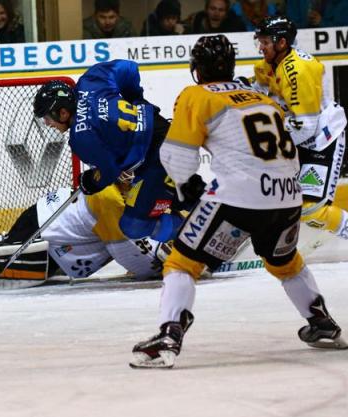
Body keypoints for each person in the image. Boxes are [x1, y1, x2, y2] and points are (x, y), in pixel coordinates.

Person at [130, 35, 346, 369]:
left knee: (181, 262)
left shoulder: (197, 95)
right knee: (284, 262)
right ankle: (323, 324)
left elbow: (178, 155)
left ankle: (169, 336)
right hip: (289, 195)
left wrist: (186, 186)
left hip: (239, 196)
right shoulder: (264, 98)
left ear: (197, 69)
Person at [0, 186, 171, 297]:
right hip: (50, 236)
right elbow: (132, 257)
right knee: (0, 259)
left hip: (47, 216)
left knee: (6, 246)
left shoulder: (121, 183)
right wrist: (167, 263)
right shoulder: (113, 201)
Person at [33, 60, 195, 247]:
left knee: (134, 225)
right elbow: (129, 68)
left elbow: (109, 172)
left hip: (157, 159)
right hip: (166, 131)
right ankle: (210, 215)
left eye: (47, 116)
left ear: (62, 113)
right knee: (169, 195)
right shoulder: (90, 81)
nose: (47, 123)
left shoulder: (81, 138)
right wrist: (136, 100)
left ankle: (192, 240)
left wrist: (91, 181)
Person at [252, 16, 348, 240]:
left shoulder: (298, 71)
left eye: (266, 42)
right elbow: (257, 97)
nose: (261, 47)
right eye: (260, 41)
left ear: (282, 43)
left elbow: (306, 126)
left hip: (321, 140)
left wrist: (270, 147)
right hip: (296, 136)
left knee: (311, 208)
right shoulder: (265, 66)